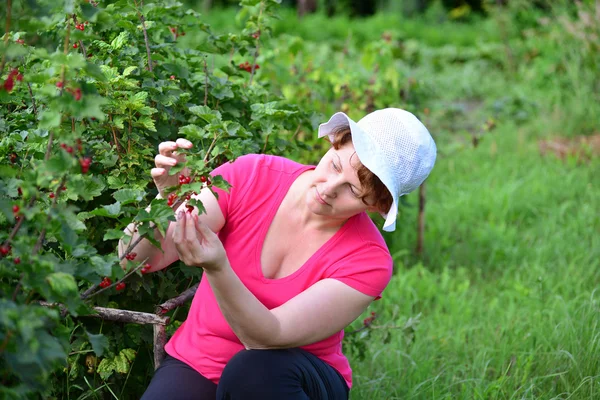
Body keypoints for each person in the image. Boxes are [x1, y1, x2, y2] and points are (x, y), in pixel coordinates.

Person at [121, 108, 437, 399]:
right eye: (335, 165)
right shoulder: (252, 176)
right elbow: (134, 261)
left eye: (352, 191)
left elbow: (265, 339)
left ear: (376, 207)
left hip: (290, 379)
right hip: (200, 360)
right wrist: (165, 201)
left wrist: (218, 269)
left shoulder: (367, 261)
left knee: (252, 370)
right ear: (334, 142)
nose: (329, 188)